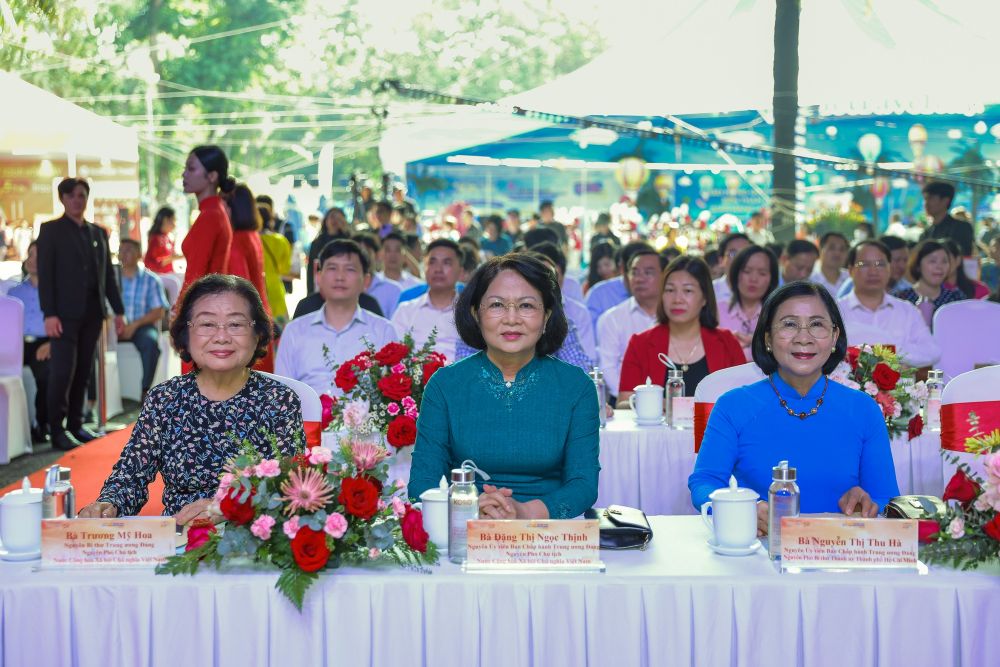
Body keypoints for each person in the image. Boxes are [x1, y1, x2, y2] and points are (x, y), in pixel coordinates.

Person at [78, 274, 303, 520]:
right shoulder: (165, 399)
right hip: (179, 536)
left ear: (258, 333)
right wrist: (109, 504)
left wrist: (229, 508)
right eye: (207, 324)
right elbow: (130, 477)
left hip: (252, 535)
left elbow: (289, 489)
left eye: (236, 325)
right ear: (186, 334)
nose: (221, 336)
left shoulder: (279, 400)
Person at [689, 281, 899, 529]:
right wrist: (741, 508)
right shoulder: (732, 406)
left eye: (817, 324)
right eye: (789, 324)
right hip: (760, 544)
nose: (803, 338)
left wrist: (867, 502)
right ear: (767, 338)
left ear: (834, 337)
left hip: (838, 545)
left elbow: (885, 498)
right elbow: (704, 483)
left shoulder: (863, 409)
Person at [408, 253, 600, 520]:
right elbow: (421, 484)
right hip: (464, 526)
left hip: (548, 530)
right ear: (476, 313)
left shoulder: (576, 387)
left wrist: (524, 511)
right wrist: (470, 507)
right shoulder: (445, 385)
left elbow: (583, 485)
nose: (512, 318)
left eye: (526, 306)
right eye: (497, 305)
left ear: (546, 316)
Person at [36, 177, 126, 451]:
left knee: (84, 370)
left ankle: (76, 424)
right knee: (63, 371)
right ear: (62, 199)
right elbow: (45, 276)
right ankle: (57, 429)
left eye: (82, 195)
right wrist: (49, 313)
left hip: (93, 312)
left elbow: (107, 276)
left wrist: (118, 310)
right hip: (62, 315)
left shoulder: (97, 232)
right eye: (72, 195)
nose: (77, 200)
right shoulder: (51, 230)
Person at [276, 239, 396, 397]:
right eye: (332, 268)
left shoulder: (384, 331)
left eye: (350, 269)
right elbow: (281, 393)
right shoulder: (294, 331)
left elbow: (391, 391)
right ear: (318, 277)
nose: (340, 276)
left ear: (366, 281)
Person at [617, 256, 744, 404]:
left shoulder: (727, 342)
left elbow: (744, 401)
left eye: (688, 290)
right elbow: (623, 402)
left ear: (705, 298)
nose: (677, 299)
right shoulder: (640, 344)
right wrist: (653, 404)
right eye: (670, 290)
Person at [838, 240, 940, 368]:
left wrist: (890, 348)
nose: (873, 271)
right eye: (864, 264)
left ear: (889, 269)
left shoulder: (907, 311)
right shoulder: (835, 311)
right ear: (851, 270)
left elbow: (932, 352)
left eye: (880, 264)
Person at [596, 248, 665, 403]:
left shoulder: (675, 317)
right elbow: (608, 367)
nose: (639, 279)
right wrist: (634, 399)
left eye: (648, 273)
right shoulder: (611, 318)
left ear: (664, 276)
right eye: (634, 272)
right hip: (625, 403)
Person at [391, 238, 462, 362]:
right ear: (425, 267)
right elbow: (394, 356)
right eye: (432, 262)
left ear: (460, 271)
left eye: (446, 263)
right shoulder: (405, 311)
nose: (438, 269)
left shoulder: (472, 314)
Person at [180, 145, 236, 300]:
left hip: (204, 304)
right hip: (211, 302)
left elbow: (194, 276)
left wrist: (179, 310)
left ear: (212, 176)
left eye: (191, 168)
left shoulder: (210, 216)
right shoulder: (215, 211)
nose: (184, 174)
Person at [117, 239, 169, 400]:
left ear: (139, 254)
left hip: (141, 325)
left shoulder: (150, 279)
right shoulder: (112, 279)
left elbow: (159, 311)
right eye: (121, 250)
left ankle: (145, 390)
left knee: (150, 343)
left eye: (128, 250)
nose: (123, 254)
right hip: (114, 326)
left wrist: (134, 325)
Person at [8, 242, 50, 442]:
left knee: (46, 373)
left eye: (38, 255)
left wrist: (52, 344)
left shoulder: (55, 291)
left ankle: (41, 424)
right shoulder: (14, 292)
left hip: (43, 343)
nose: (32, 260)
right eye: (30, 254)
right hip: (16, 344)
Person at [718, 245, 778, 360]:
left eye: (762, 273)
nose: (753, 279)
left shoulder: (778, 314)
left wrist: (758, 341)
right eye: (747, 271)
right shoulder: (717, 310)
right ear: (735, 274)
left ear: (772, 278)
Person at [892, 239, 966, 330]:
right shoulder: (901, 298)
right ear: (918, 265)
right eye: (932, 261)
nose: (939, 267)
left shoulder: (956, 298)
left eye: (944, 261)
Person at [585, 240, 652, 328]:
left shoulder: (660, 293)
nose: (641, 279)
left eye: (648, 272)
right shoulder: (598, 295)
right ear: (622, 268)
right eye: (635, 272)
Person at [920, 181, 974, 257]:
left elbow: (963, 256)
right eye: (925, 199)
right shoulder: (926, 233)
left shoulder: (961, 228)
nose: (926, 203)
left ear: (945, 201)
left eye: (930, 198)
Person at [258, 205, 292, 325]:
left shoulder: (251, 240)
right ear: (270, 220)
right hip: (276, 289)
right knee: (280, 328)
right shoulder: (280, 240)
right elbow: (285, 268)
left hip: (257, 288)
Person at [355, 233, 402, 317]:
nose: (362, 259)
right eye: (357, 254)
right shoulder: (341, 288)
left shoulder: (393, 290)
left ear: (377, 255)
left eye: (367, 253)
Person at [306, 207, 349, 295]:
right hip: (321, 287)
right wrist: (310, 292)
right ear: (326, 220)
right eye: (332, 217)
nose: (335, 220)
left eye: (339, 218)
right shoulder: (317, 242)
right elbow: (311, 269)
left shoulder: (349, 241)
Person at [711, 233, 752, 305]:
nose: (739, 258)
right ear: (721, 261)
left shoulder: (762, 291)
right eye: (733, 254)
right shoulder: (710, 291)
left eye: (745, 253)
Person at [144, 207, 182, 274]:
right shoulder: (155, 239)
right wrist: (171, 258)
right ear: (165, 220)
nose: (175, 225)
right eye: (174, 220)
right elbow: (150, 263)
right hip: (161, 277)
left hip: (169, 275)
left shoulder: (168, 237)